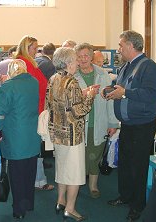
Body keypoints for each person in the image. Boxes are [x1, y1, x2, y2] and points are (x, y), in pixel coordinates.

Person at [105, 30, 156, 221]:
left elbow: (151, 95)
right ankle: (125, 195)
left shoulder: (149, 67)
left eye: (121, 45)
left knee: (138, 165)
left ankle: (137, 206)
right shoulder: (126, 66)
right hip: (127, 124)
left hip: (142, 126)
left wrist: (125, 93)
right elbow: (121, 89)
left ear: (130, 45)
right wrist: (111, 92)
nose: (119, 49)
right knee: (126, 162)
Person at [46, 47, 97, 221]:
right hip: (73, 135)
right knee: (75, 173)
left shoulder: (53, 79)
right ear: (68, 63)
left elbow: (51, 104)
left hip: (57, 133)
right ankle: (70, 208)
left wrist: (80, 95)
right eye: (75, 59)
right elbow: (79, 111)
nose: (77, 62)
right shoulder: (72, 82)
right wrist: (90, 95)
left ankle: (60, 201)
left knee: (62, 168)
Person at [0, 59, 41, 219]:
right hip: (32, 134)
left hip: (15, 136)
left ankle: (19, 209)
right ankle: (29, 203)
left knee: (17, 174)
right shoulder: (34, 82)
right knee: (30, 171)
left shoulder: (7, 87)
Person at [74, 43, 119, 199]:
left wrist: (113, 123)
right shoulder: (72, 75)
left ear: (92, 56)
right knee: (80, 157)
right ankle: (76, 185)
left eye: (86, 55)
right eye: (80, 56)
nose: (83, 59)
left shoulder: (102, 74)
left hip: (98, 122)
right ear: (76, 58)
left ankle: (93, 185)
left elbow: (110, 100)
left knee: (95, 155)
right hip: (79, 125)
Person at [14, 35, 54, 191]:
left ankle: (37, 179)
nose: (37, 51)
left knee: (33, 148)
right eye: (35, 47)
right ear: (27, 47)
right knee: (33, 148)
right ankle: (37, 180)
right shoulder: (24, 63)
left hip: (34, 111)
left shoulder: (27, 62)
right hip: (32, 112)